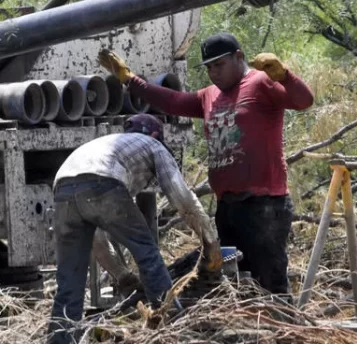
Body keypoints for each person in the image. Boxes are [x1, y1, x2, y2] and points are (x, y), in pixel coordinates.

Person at [97, 32, 314, 295]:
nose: (213, 73)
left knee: (269, 282)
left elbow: (304, 101)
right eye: (209, 67)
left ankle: (282, 330)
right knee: (234, 283)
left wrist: (284, 75)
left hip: (263, 205)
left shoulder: (261, 82)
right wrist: (130, 80)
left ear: (239, 57)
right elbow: (172, 101)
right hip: (227, 206)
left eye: (219, 65)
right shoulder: (208, 96)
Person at [47, 114, 222, 344]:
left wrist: (122, 276)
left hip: (62, 188)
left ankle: (61, 340)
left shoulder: (109, 146)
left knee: (69, 281)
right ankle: (173, 329)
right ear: (154, 134)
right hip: (102, 181)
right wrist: (210, 242)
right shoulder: (154, 145)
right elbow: (182, 198)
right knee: (146, 252)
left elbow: (96, 240)